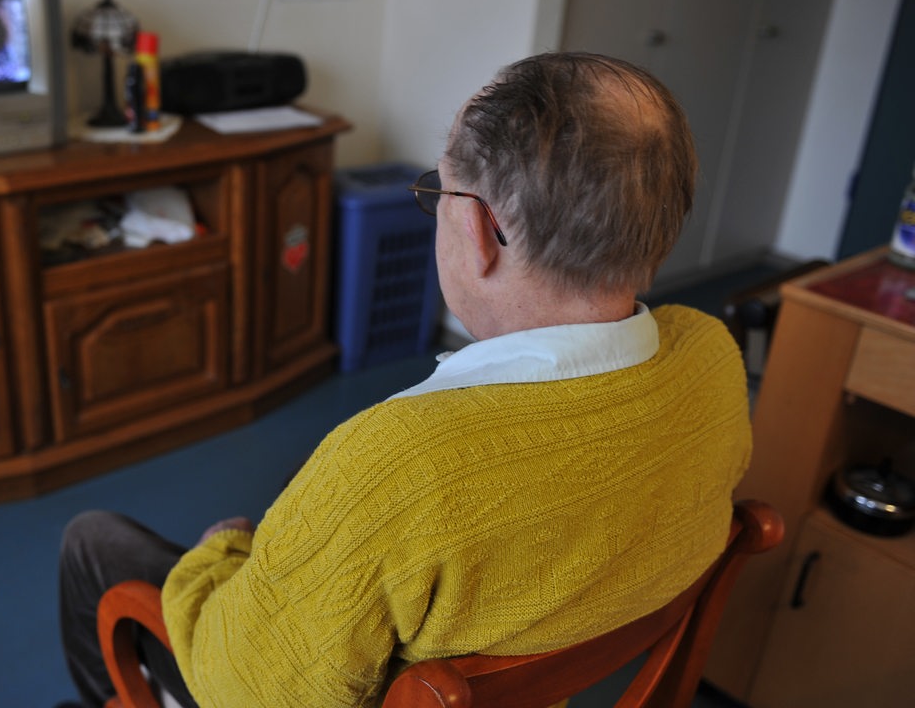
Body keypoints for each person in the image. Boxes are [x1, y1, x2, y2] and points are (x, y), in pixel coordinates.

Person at [57, 51, 752, 708]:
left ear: (477, 231)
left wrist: (219, 555)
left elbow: (247, 691)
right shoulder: (713, 360)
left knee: (93, 541)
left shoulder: (393, 470)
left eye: (438, 192)